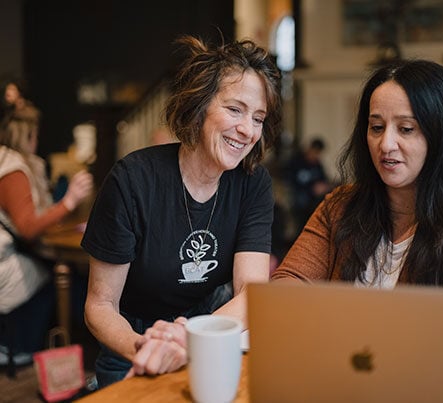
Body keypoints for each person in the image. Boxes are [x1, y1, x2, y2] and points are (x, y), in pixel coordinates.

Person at [271, 60, 443, 373]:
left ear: (441, 135)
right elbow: (284, 290)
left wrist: (379, 324)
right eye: (376, 127)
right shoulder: (339, 207)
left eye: (406, 129)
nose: (386, 144)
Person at [81, 35, 282, 387]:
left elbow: (252, 294)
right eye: (235, 109)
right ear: (200, 104)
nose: (248, 130)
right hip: (133, 336)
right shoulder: (132, 180)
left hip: (213, 326)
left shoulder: (253, 183)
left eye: (258, 117)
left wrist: (191, 338)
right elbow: (100, 306)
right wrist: (148, 347)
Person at [0, 116, 93, 362]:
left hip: (14, 253)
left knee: (71, 274)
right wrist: (70, 200)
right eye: (36, 136)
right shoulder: (13, 170)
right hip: (7, 262)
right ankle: (27, 346)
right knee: (66, 276)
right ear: (29, 137)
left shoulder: (15, 164)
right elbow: (28, 227)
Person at [285, 137, 332, 236]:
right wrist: (311, 189)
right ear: (310, 149)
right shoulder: (296, 162)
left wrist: (323, 187)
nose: (316, 156)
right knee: (301, 201)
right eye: (315, 152)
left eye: (318, 153)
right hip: (300, 195)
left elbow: (324, 181)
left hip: (315, 197)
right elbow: (290, 182)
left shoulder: (317, 164)